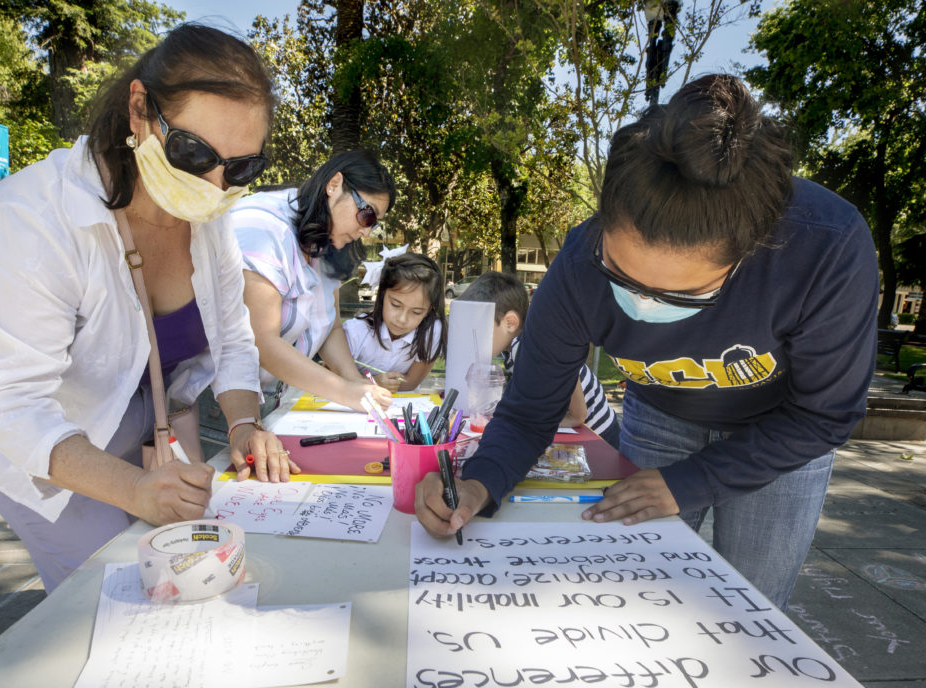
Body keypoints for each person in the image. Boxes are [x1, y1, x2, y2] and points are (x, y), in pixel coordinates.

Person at [416, 74, 878, 610]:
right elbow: (529, 410)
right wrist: (478, 483)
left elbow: (825, 415)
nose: (645, 303)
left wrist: (693, 480)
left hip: (783, 431)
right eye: (621, 274)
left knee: (754, 606)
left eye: (683, 296)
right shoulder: (577, 264)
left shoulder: (826, 247)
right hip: (660, 414)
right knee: (631, 592)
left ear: (748, 253)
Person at [0, 24, 297, 593]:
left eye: (241, 169)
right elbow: (13, 404)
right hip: (27, 425)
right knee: (109, 583)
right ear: (140, 109)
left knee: (188, 559)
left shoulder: (211, 222)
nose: (215, 185)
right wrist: (134, 490)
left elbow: (235, 338)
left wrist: (243, 424)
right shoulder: (31, 215)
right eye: (194, 153)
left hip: (126, 408)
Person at [230, 150, 397, 415]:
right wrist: (347, 392)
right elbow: (261, 340)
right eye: (367, 215)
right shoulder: (262, 227)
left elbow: (329, 326)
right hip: (218, 409)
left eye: (374, 224)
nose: (366, 230)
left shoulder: (324, 240)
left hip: (267, 399)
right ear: (334, 184)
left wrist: (358, 385)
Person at [458, 271, 620, 448]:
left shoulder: (536, 346)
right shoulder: (513, 349)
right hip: (582, 434)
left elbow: (578, 416)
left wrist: (527, 427)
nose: (471, 338)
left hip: (598, 437)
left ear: (510, 323)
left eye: (478, 330)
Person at [343, 252, 447, 392]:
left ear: (429, 310)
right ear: (382, 295)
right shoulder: (356, 331)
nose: (402, 319)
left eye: (416, 312)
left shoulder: (431, 332)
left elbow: (410, 383)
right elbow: (331, 374)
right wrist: (373, 383)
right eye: (396, 305)